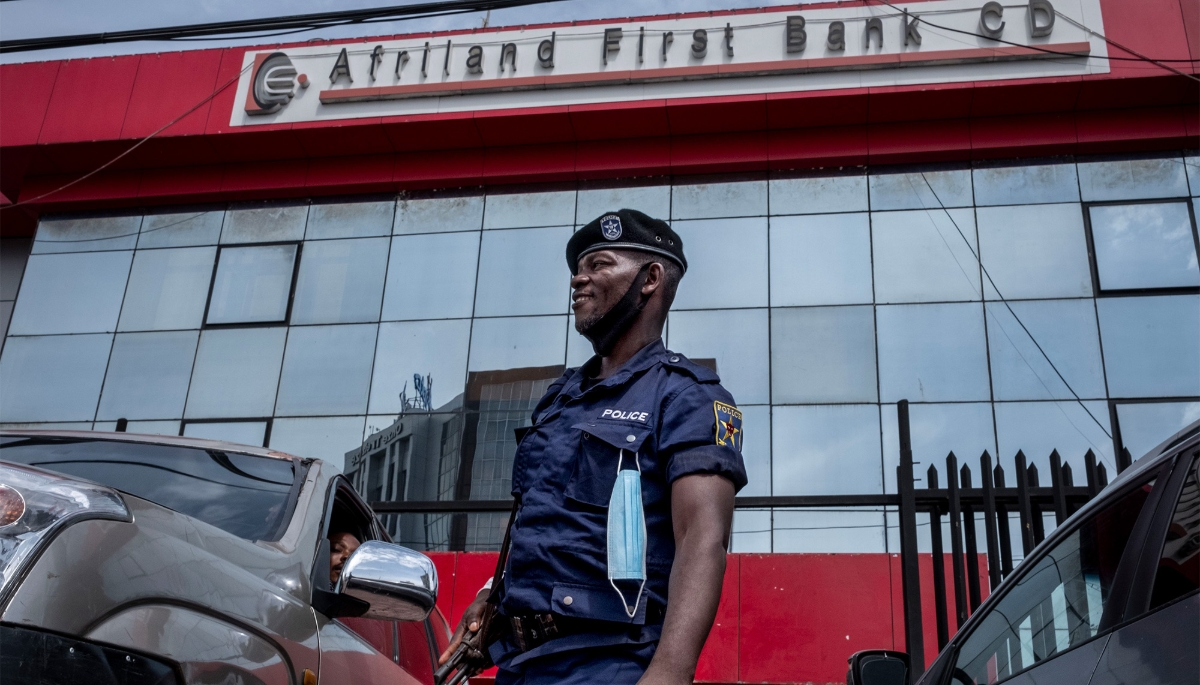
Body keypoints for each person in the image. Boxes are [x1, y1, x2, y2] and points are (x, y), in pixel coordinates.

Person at [438, 209, 747, 684]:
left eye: (598, 265)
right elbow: (537, 520)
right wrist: (492, 594)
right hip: (519, 664)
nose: (578, 280)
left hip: (607, 664)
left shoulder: (687, 396)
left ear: (651, 278)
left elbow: (703, 540)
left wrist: (669, 672)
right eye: (577, 270)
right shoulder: (561, 397)